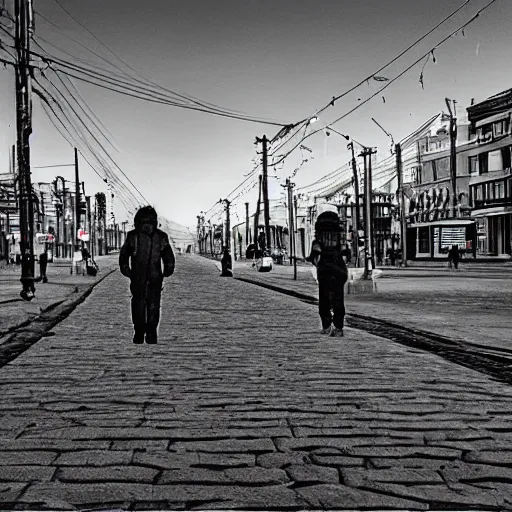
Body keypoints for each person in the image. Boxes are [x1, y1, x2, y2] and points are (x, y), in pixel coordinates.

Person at [119, 206, 175, 344]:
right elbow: (168, 256)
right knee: (152, 305)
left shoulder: (135, 236)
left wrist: (127, 270)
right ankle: (149, 333)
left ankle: (141, 332)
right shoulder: (159, 236)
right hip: (151, 277)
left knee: (141, 304)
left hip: (141, 277)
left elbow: (124, 256)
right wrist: (168, 268)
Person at [307, 211, 348, 338]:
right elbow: (346, 256)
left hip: (325, 271)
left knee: (324, 299)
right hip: (339, 271)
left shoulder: (318, 242)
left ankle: (326, 325)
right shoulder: (341, 241)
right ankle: (339, 327)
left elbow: (314, 259)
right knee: (338, 300)